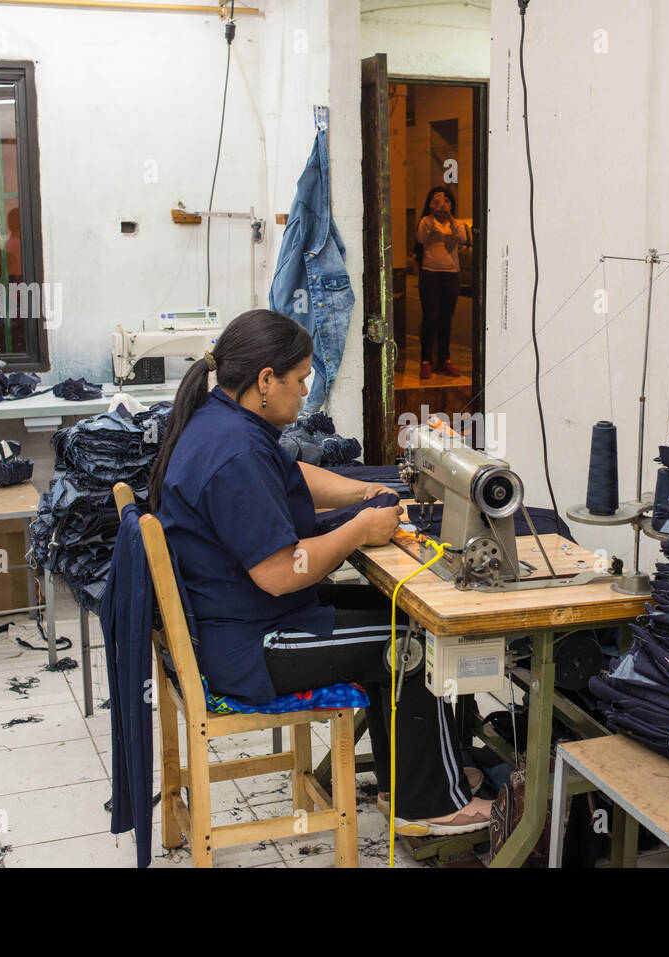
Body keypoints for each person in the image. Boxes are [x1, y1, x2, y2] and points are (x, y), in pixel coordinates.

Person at [149, 309, 492, 835]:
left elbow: (292, 474)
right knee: (416, 641)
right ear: (267, 380)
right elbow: (282, 573)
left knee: (400, 613)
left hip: (236, 623)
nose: (306, 392)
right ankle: (428, 804)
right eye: (302, 379)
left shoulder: (222, 421)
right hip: (249, 648)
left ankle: (419, 774)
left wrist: (362, 493)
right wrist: (359, 532)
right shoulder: (234, 451)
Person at [414, 186, 468, 380]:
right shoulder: (427, 222)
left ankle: (445, 359)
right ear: (430, 204)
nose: (442, 204)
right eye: (437, 200)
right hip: (430, 274)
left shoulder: (457, 223)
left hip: (451, 275)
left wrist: (449, 216)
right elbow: (421, 238)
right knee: (430, 318)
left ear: (452, 204)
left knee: (446, 319)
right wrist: (432, 213)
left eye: (446, 200)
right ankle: (426, 360)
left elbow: (462, 238)